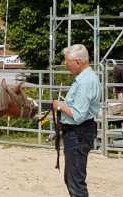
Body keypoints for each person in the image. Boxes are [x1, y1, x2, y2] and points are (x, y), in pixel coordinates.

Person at [53, 44, 101, 197]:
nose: (66, 65)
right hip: (78, 133)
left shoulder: (85, 82)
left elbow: (78, 115)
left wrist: (59, 106)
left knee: (75, 182)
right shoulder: (85, 78)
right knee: (72, 178)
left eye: (68, 62)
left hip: (78, 133)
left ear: (78, 62)